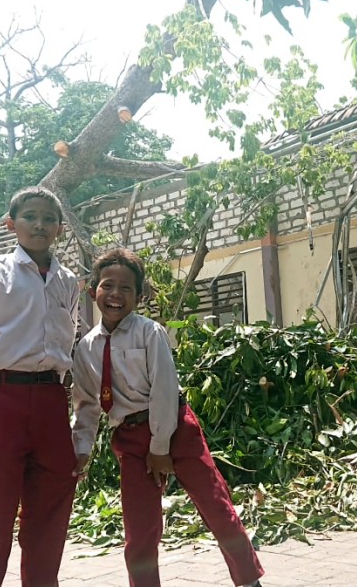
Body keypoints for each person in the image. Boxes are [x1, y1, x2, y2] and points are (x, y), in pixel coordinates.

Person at [71, 248, 264, 587]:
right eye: (108, 286)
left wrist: (160, 447)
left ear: (139, 295)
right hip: (129, 440)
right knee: (140, 528)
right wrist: (81, 450)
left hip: (175, 429)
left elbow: (163, 389)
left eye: (126, 288)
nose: (116, 295)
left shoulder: (150, 333)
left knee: (216, 506)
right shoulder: (86, 347)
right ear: (92, 291)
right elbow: (86, 404)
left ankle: (248, 580)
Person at [0, 186, 80, 587]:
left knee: (51, 506)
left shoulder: (68, 281)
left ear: (60, 229)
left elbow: (67, 338)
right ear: (11, 224)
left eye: (48, 218)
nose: (39, 224)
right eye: (30, 216)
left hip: (51, 400)